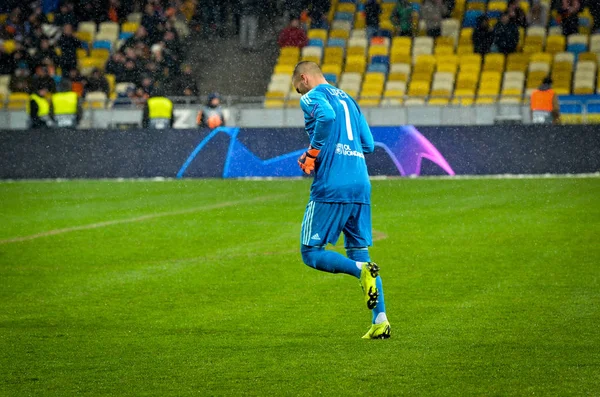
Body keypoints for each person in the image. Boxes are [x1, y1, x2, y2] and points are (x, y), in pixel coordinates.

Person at [291, 61, 390, 339]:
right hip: (360, 183)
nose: (301, 96)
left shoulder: (312, 96)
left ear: (304, 79)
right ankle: (380, 320)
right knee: (360, 252)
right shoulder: (349, 99)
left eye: (299, 90)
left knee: (311, 252)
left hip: (332, 185)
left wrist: (312, 153)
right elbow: (368, 144)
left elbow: (326, 117)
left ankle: (360, 270)